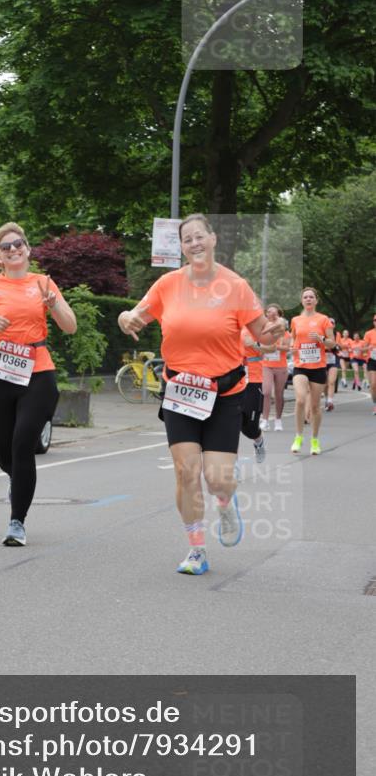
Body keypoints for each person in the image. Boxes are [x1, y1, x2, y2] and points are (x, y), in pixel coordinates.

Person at [118, 214, 286, 576]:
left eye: (199, 237)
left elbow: (264, 336)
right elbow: (136, 315)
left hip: (224, 393)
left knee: (218, 478)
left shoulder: (235, 286)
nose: (194, 243)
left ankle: (225, 501)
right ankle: (196, 550)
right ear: (181, 247)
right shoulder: (167, 284)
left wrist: (276, 330)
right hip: (181, 391)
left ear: (212, 239)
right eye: (186, 239)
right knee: (186, 472)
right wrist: (124, 318)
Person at [0, 222, 77, 546]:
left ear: (28, 249)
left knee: (23, 442)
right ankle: (17, 481)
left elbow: (70, 327)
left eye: (19, 244)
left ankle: (17, 522)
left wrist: (52, 303)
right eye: (6, 247)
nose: (13, 249)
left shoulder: (43, 283)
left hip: (37, 372)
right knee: (5, 456)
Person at [289, 287, 335, 455]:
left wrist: (322, 339)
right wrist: (291, 347)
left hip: (318, 367)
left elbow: (332, 343)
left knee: (315, 407)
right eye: (305, 297)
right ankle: (298, 436)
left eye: (311, 297)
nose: (308, 299)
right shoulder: (295, 320)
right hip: (300, 366)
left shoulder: (324, 320)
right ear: (302, 300)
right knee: (301, 400)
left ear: (316, 300)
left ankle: (314, 440)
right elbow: (293, 340)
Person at [240, 327, 270, 462]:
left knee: (250, 427)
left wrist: (254, 344)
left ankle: (259, 442)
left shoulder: (257, 327)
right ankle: (232, 462)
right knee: (229, 422)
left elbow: (270, 349)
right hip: (231, 380)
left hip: (252, 379)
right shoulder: (227, 325)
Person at [260, 303, 291, 431]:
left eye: (273, 312)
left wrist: (275, 347)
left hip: (280, 366)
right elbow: (260, 347)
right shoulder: (264, 329)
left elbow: (287, 348)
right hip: (266, 365)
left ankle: (278, 420)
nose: (270, 313)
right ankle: (265, 420)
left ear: (278, 314)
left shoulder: (284, 332)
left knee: (279, 394)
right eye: (268, 312)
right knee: (266, 392)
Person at [323, 317, 339, 411]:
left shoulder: (337, 334)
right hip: (323, 359)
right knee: (325, 383)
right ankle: (326, 399)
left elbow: (339, 345)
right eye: (329, 323)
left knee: (331, 381)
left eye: (332, 323)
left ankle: (330, 401)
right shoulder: (321, 333)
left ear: (334, 325)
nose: (331, 325)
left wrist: (335, 347)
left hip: (333, 359)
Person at [362, 315, 376, 415]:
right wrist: (369, 348)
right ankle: (375, 403)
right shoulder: (369, 333)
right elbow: (363, 348)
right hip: (372, 360)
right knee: (373, 384)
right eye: (375, 320)